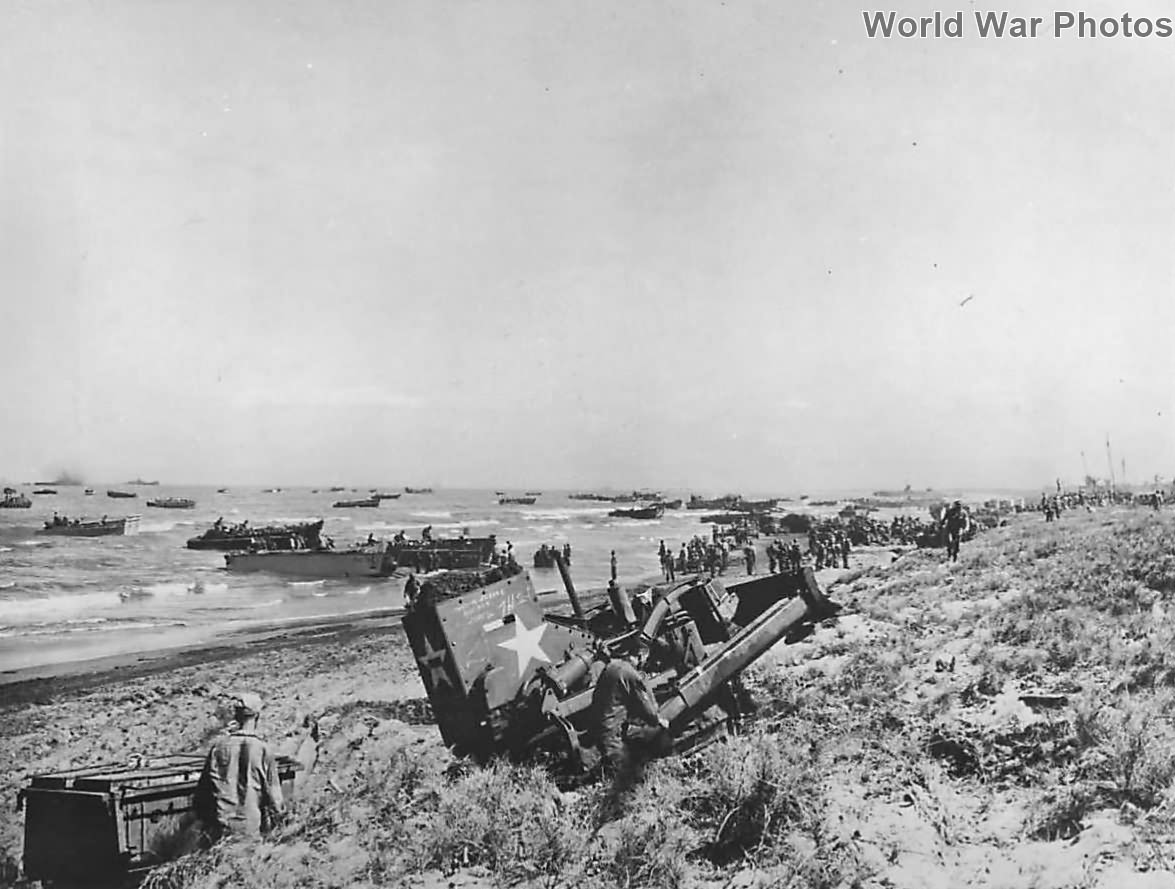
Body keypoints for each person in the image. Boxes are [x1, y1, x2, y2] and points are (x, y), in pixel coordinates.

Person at [590, 636, 670, 819]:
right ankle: (619, 814)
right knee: (634, 777)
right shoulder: (630, 674)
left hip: (598, 729)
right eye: (645, 658)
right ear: (640, 655)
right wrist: (659, 720)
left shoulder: (612, 666)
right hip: (611, 737)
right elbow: (649, 712)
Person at [196, 692, 284, 843]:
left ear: (236, 716)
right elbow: (275, 799)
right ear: (257, 716)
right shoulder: (263, 749)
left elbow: (202, 794)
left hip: (222, 826)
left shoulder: (218, 747)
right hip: (250, 828)